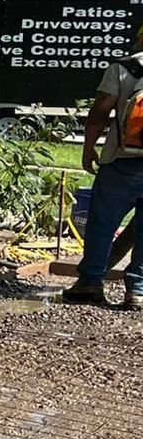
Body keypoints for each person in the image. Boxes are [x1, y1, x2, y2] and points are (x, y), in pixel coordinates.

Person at [65, 28, 143, 308]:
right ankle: (137, 290)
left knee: (102, 223)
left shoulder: (124, 68)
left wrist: (89, 147)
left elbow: (101, 109)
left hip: (121, 160)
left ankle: (90, 282)